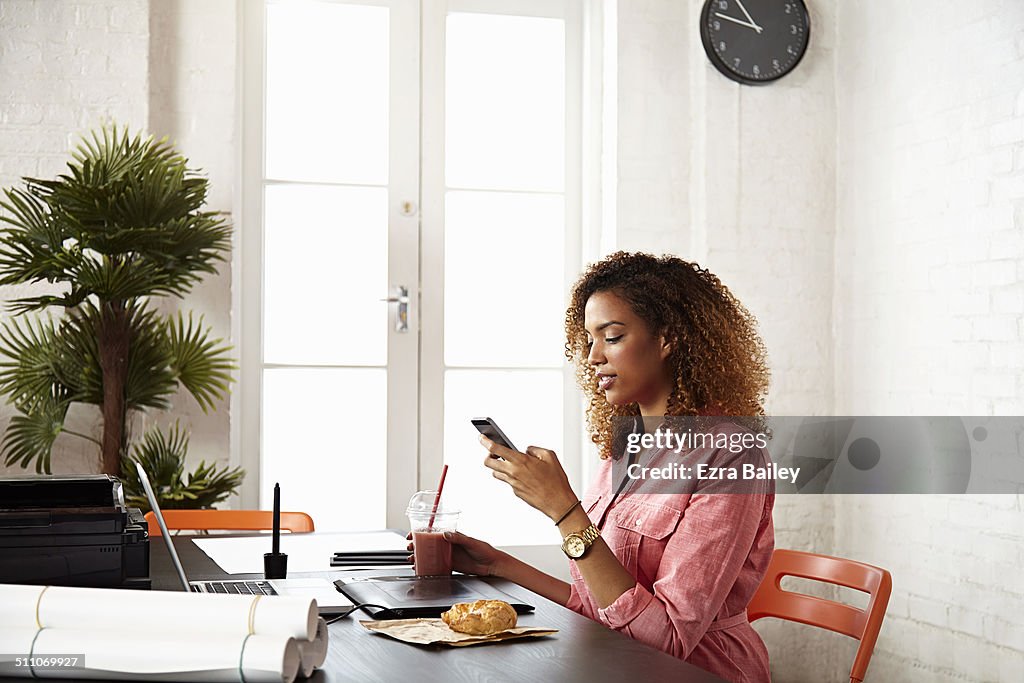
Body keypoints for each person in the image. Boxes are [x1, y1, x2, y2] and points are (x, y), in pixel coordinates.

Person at [444, 251, 774, 683]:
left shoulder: (730, 454)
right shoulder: (624, 446)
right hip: (613, 665)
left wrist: (564, 511)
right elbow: (604, 608)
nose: (593, 356)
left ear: (667, 338)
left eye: (612, 336)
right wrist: (498, 566)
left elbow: (666, 643)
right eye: (588, 341)